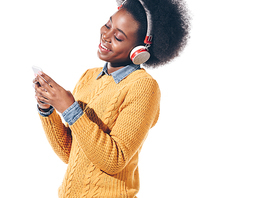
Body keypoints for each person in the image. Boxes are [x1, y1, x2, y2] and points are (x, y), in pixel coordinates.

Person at [33, 0, 190, 197]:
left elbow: (114, 160)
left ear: (139, 51)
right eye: (108, 25)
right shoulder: (89, 76)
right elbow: (70, 152)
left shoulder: (143, 87)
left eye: (118, 36)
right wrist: (47, 109)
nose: (106, 36)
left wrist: (69, 109)